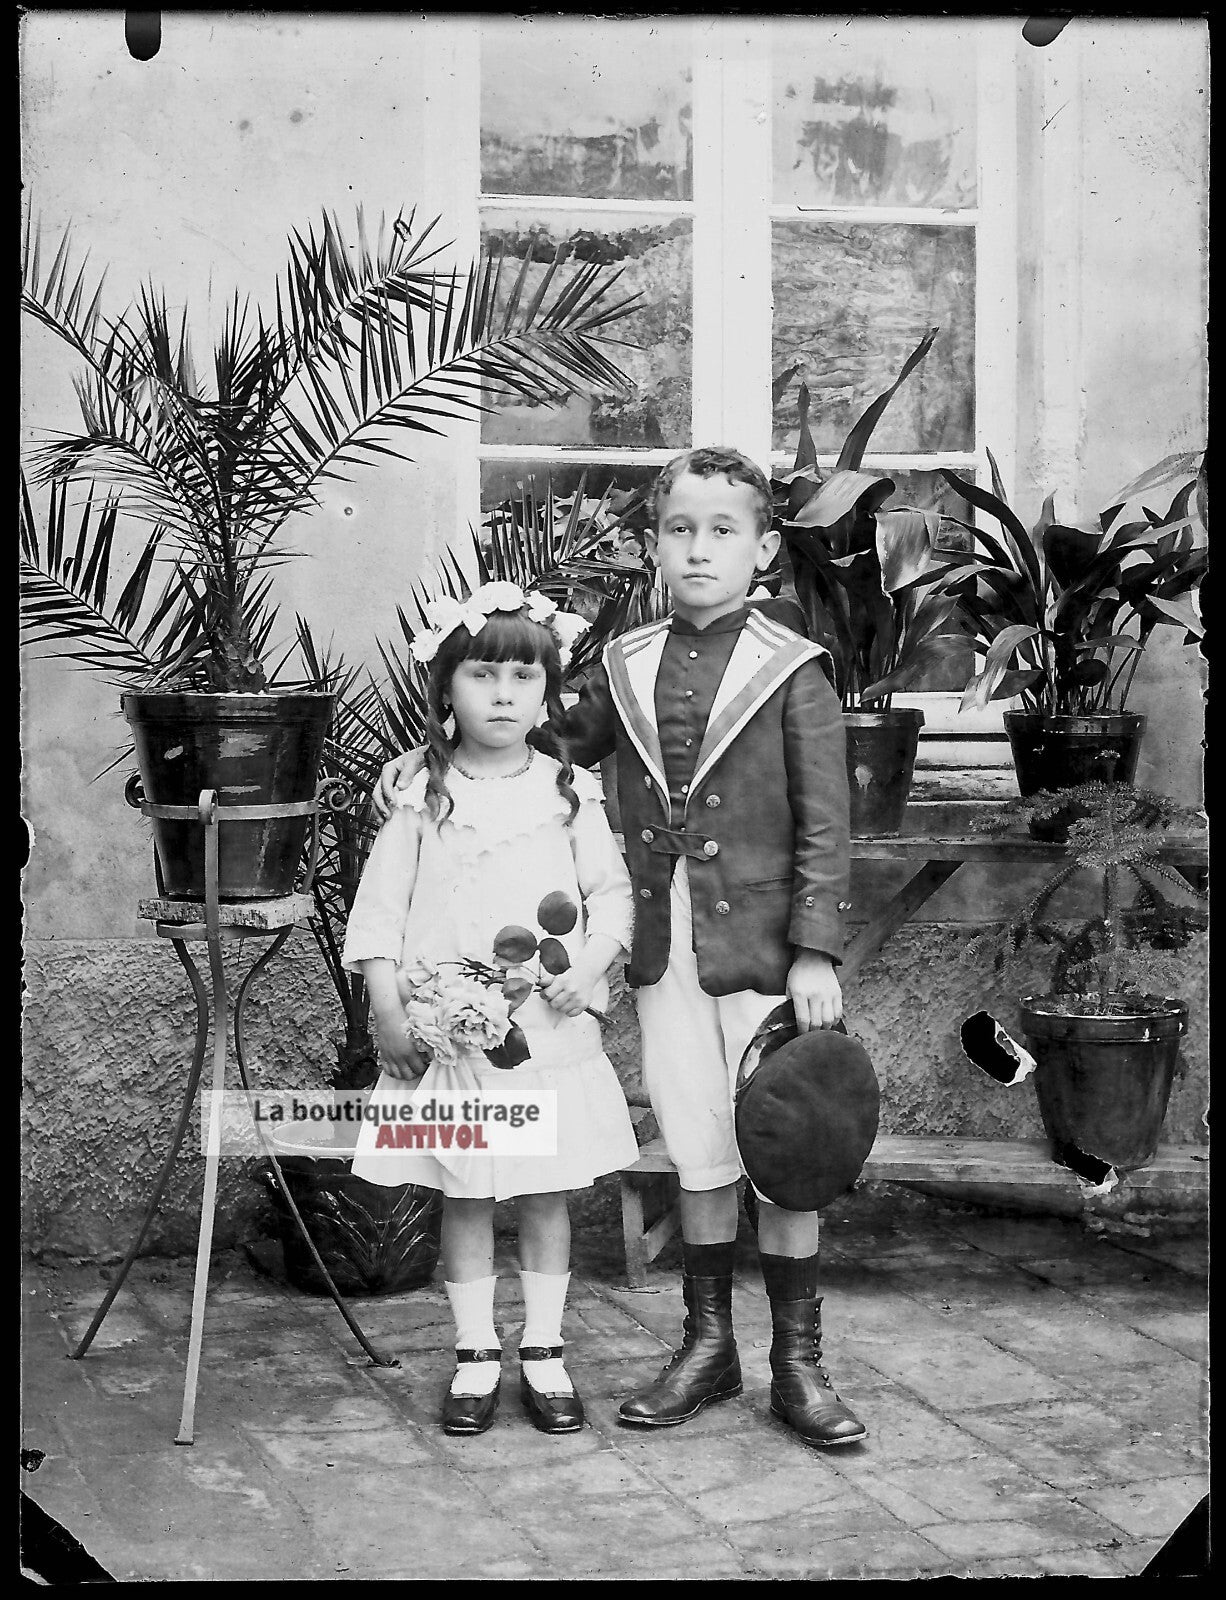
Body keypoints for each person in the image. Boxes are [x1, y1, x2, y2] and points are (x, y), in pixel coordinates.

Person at [377, 446, 865, 1448]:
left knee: (785, 1141)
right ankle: (707, 1344)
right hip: (661, 945)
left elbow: (826, 820)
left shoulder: (794, 671)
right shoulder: (624, 662)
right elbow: (540, 750)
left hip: (767, 949)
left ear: (763, 550)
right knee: (694, 1144)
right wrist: (426, 763)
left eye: (722, 531)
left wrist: (816, 949)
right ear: (651, 546)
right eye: (678, 530)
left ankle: (797, 1361)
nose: (697, 550)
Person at [344, 583, 638, 1438]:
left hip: (543, 1032)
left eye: (522, 677)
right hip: (448, 1040)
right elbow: (379, 914)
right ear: (448, 689)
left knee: (546, 1193)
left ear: (549, 693)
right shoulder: (418, 795)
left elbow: (611, 897)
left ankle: (544, 1348)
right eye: (481, 675)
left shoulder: (570, 792)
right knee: (465, 1196)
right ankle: (475, 1352)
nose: (502, 694)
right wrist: (388, 1010)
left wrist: (587, 968)